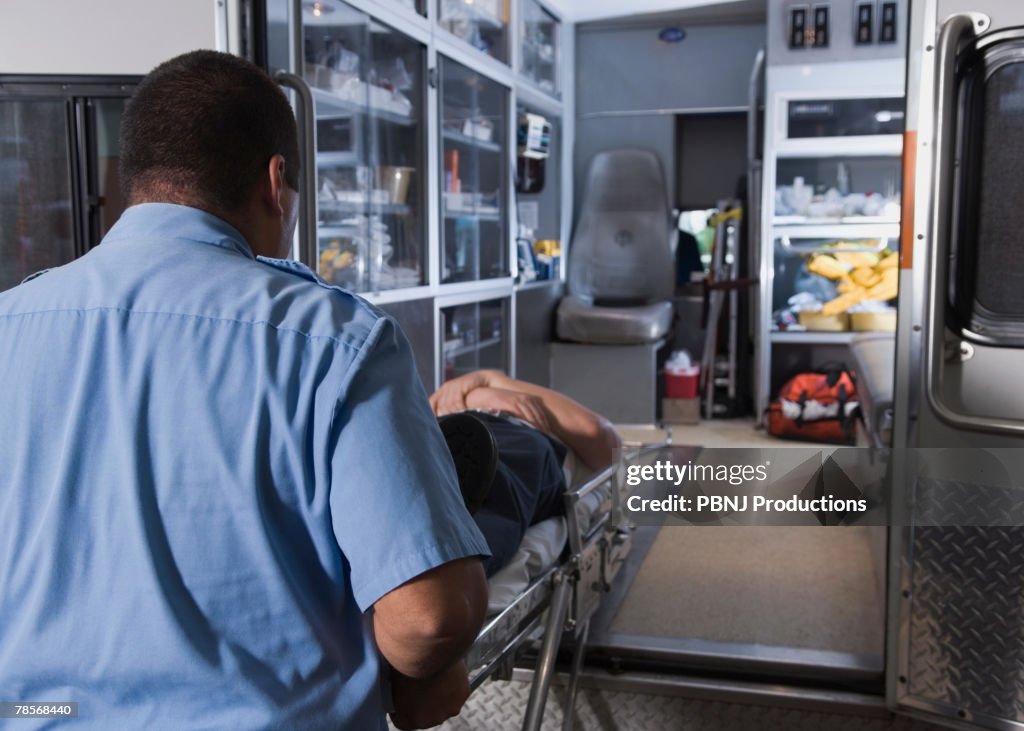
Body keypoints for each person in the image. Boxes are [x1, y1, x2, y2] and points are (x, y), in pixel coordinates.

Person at [0, 51, 489, 731]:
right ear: (275, 180)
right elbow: (428, 617)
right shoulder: (337, 340)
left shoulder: (9, 323)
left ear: (130, 176)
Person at [430, 370, 621, 575]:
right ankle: (446, 563)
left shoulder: (523, 406)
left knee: (496, 475)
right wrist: (488, 387)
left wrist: (491, 380)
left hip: (501, 440)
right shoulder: (484, 396)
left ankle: (445, 561)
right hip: (466, 435)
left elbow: (598, 435)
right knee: (496, 484)